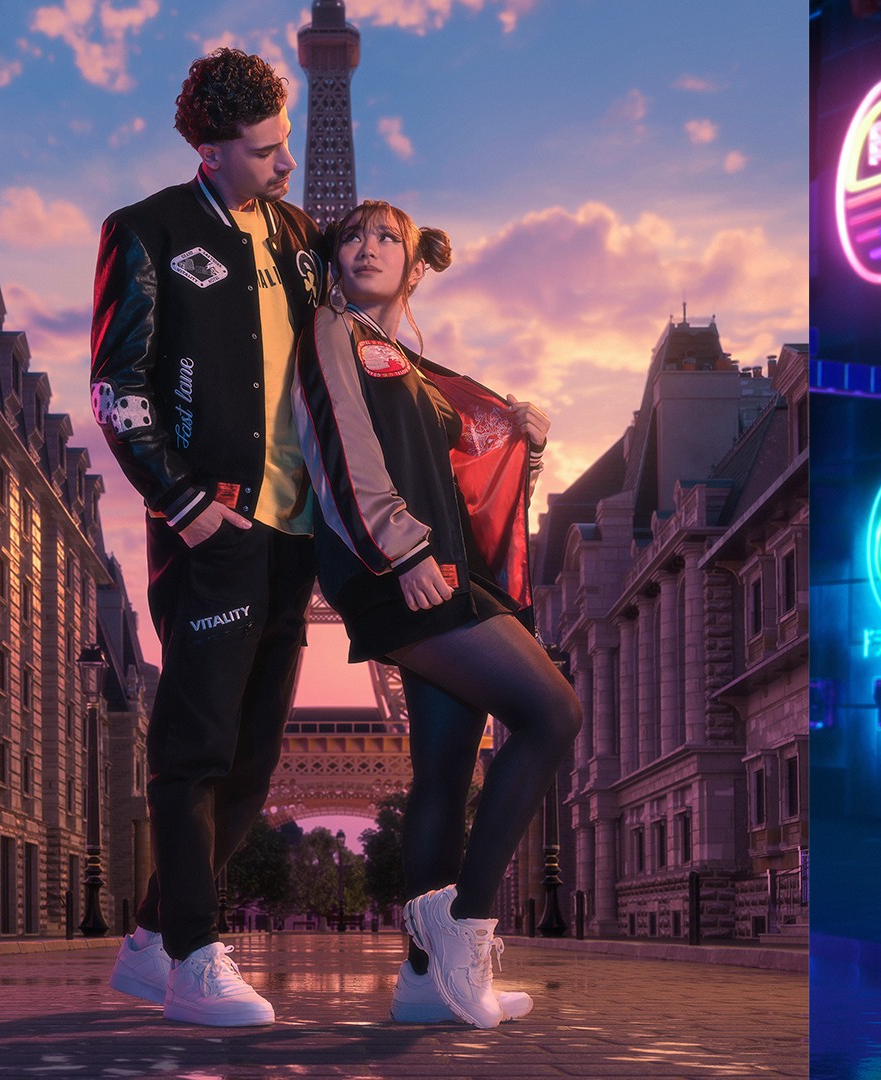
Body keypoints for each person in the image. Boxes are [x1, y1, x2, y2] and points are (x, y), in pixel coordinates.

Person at [292, 200, 583, 1030]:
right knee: (553, 711)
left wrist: (521, 436)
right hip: (401, 567)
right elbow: (339, 439)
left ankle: (425, 984)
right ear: (334, 257)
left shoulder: (414, 367)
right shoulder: (331, 332)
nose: (367, 246)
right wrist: (403, 548)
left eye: (388, 236)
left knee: (446, 770)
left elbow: (467, 476)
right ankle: (463, 929)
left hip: (439, 565)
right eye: (352, 235)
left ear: (417, 266)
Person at [92, 49, 324, 1026]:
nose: (287, 163)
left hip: (297, 532)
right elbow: (117, 386)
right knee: (192, 751)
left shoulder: (301, 237)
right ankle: (192, 954)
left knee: (254, 763)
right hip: (213, 527)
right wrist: (184, 503)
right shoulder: (147, 232)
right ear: (211, 150)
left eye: (288, 140)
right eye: (268, 149)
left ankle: (149, 942)